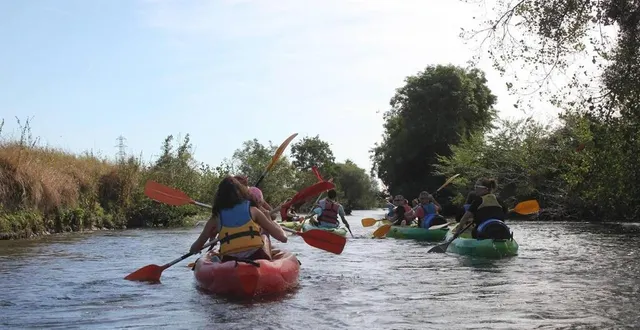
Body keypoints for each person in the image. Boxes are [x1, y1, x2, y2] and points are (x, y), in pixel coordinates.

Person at [189, 176, 287, 261]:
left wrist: (195, 249)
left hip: (229, 261)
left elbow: (195, 247)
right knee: (264, 235)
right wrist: (269, 220)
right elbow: (283, 238)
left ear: (219, 196)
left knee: (219, 254)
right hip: (257, 258)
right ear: (241, 192)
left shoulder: (215, 218)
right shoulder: (254, 211)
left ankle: (217, 261)